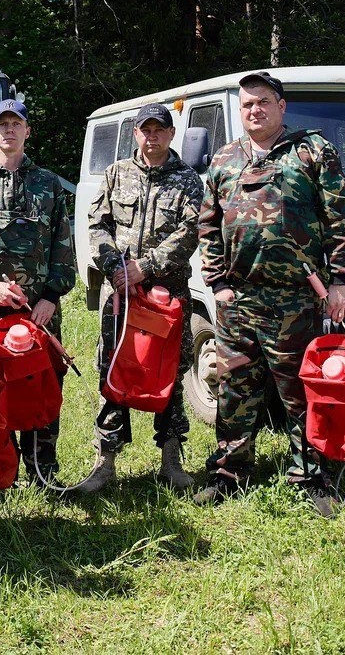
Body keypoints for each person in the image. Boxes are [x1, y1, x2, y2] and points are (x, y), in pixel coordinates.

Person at [193, 71, 345, 518]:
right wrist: (218, 283)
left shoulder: (313, 152)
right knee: (234, 386)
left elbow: (339, 218)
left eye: (263, 102)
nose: (254, 111)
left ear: (281, 106)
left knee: (299, 391)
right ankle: (229, 471)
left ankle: (309, 474)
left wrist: (340, 280)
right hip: (237, 301)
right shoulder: (225, 159)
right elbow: (207, 225)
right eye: (246, 104)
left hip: (295, 299)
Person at [78, 103, 203, 492]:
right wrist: (116, 267)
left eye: (159, 130)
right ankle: (105, 462)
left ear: (170, 134)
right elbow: (97, 224)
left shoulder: (187, 180)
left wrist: (145, 267)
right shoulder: (116, 174)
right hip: (122, 294)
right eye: (145, 129)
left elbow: (189, 231)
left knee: (169, 372)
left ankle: (171, 460)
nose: (152, 136)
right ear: (136, 134)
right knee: (114, 368)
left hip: (167, 294)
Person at [0, 98, 74, 488]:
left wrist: (51, 296)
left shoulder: (49, 183)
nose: (9, 130)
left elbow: (63, 244)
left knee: (40, 387)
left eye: (16, 123)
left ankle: (43, 474)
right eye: (1, 124)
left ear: (27, 131)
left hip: (39, 314)